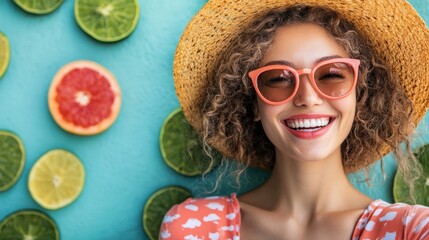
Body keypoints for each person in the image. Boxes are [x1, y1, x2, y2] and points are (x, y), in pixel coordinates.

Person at [160, 0, 429, 239]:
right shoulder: (192, 226)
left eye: (332, 75)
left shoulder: (413, 229)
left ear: (360, 95)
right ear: (253, 103)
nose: (307, 97)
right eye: (278, 79)